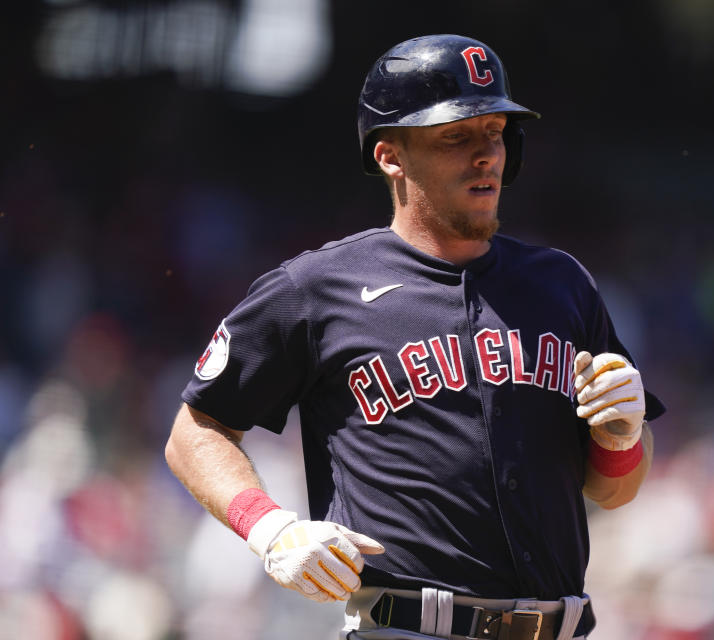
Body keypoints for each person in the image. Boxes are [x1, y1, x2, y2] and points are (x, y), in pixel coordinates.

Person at [165, 34, 665, 640]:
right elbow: (196, 431)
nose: (487, 155)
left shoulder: (563, 284)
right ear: (390, 156)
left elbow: (613, 490)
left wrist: (623, 436)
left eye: (495, 131)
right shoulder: (319, 287)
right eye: (456, 136)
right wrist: (270, 528)